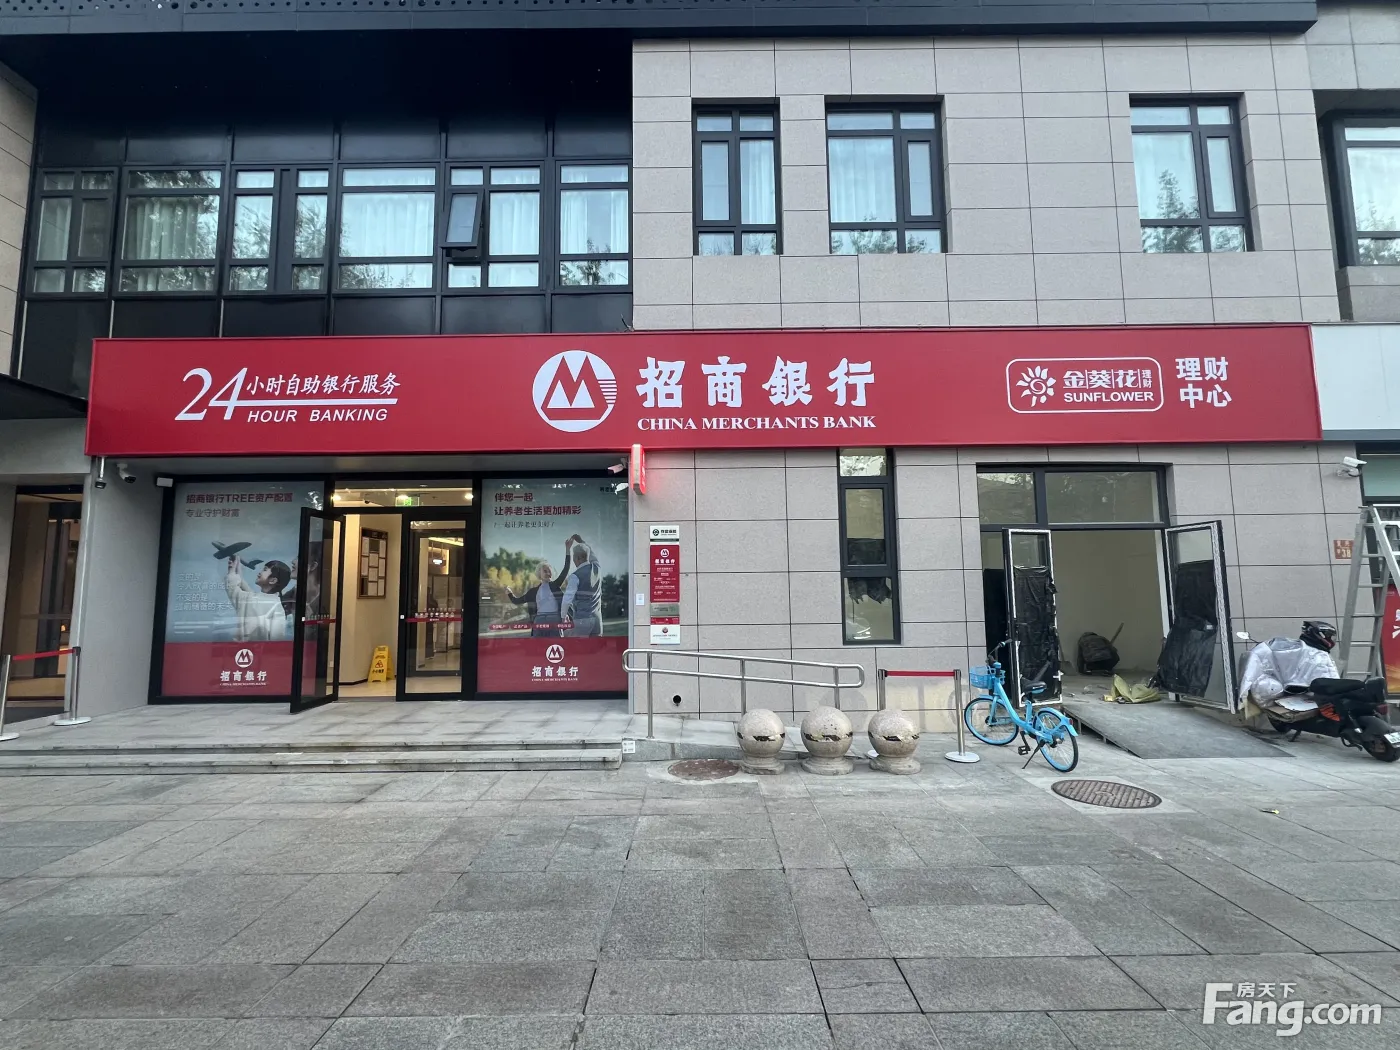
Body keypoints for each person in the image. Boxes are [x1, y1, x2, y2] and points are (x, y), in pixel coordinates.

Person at [226, 556, 291, 642]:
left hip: (243, 648)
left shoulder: (252, 599)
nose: (259, 572)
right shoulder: (277, 605)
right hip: (263, 649)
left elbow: (233, 589)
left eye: (265, 570)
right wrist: (238, 571)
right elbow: (277, 639)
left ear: (273, 580)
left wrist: (232, 570)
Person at [506, 562, 563, 638]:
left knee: (556, 643)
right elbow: (517, 601)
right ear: (539, 573)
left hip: (554, 618)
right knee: (538, 643)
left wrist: (568, 554)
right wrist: (509, 593)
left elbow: (565, 570)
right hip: (539, 619)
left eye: (549, 571)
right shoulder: (533, 592)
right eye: (545, 571)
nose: (548, 573)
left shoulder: (555, 586)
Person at [561, 534, 603, 637]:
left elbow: (567, 599)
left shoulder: (575, 576)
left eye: (574, 557)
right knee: (595, 647)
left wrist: (562, 617)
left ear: (578, 558)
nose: (574, 560)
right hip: (597, 620)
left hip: (582, 620)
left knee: (567, 639)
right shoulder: (597, 568)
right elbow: (591, 553)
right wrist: (581, 541)